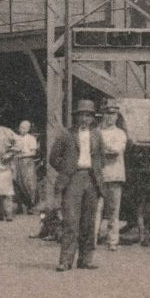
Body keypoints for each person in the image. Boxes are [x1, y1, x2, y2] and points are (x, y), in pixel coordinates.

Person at [47, 99, 105, 271]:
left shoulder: (97, 135)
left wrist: (96, 171)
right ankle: (65, 260)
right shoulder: (66, 134)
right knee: (71, 221)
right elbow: (53, 158)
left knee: (89, 222)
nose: (85, 119)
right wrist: (67, 169)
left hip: (91, 179)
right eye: (82, 115)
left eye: (88, 116)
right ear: (76, 117)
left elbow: (101, 156)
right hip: (73, 179)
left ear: (92, 118)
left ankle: (86, 259)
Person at [96, 101, 128, 250]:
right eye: (107, 114)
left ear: (117, 117)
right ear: (103, 115)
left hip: (115, 175)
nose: (110, 118)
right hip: (99, 176)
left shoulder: (120, 133)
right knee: (96, 209)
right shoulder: (96, 132)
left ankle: (113, 241)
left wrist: (102, 149)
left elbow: (116, 151)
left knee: (114, 210)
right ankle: (93, 239)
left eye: (113, 114)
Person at [12, 119, 40, 214]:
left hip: (27, 162)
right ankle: (20, 205)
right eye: (20, 127)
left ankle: (31, 206)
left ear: (28, 129)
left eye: (24, 128)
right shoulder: (16, 138)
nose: (21, 129)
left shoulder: (31, 138)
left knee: (29, 184)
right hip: (17, 162)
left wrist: (22, 155)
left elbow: (33, 152)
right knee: (17, 182)